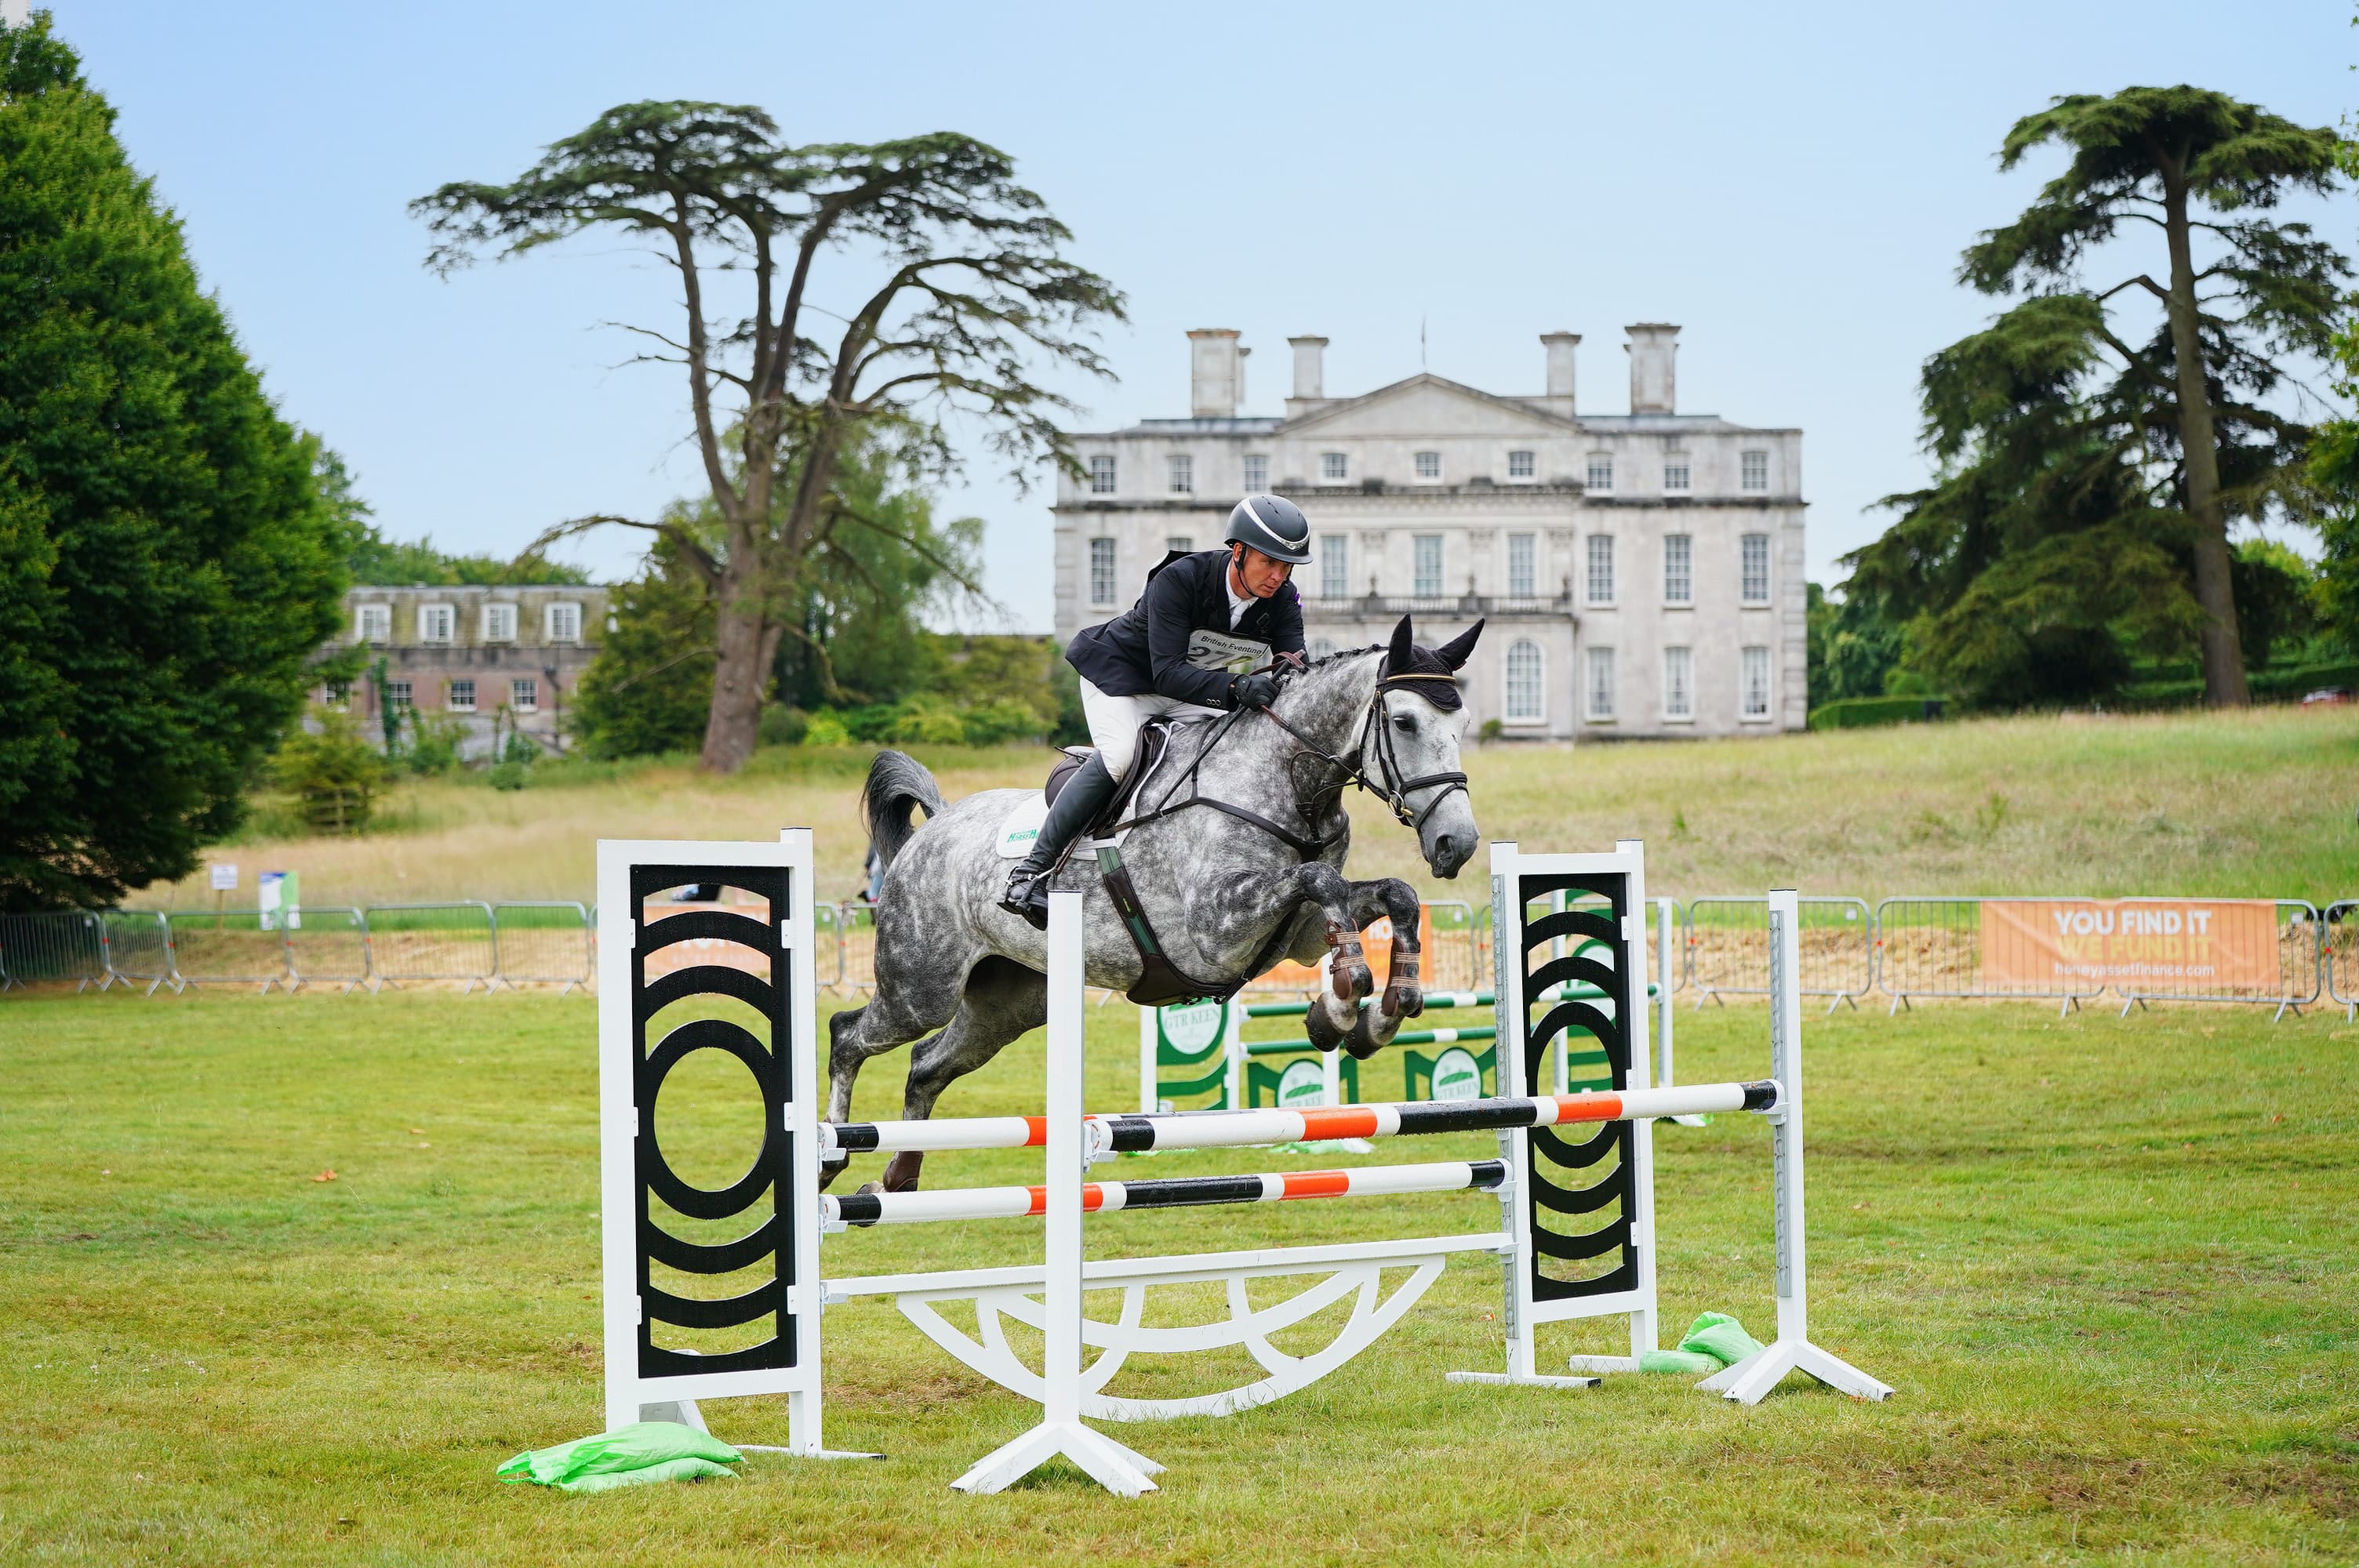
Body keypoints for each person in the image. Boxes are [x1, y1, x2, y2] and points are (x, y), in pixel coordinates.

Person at [999, 493, 1313, 928]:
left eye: (1287, 567)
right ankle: (1032, 871)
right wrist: (1240, 684)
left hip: (1192, 691)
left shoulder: (1282, 599)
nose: (1278, 577)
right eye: (1268, 563)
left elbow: (1295, 667)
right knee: (1120, 758)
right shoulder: (1181, 579)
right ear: (1237, 552)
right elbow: (1166, 673)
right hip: (1123, 681)